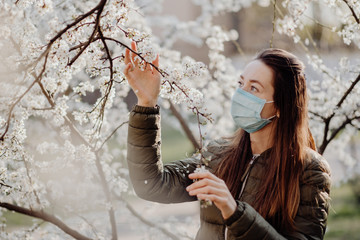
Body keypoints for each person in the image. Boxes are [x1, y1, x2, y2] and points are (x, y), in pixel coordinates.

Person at [124, 41, 331, 240]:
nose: (241, 94)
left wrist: (234, 212)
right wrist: (147, 103)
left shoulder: (309, 171)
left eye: (254, 89)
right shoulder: (219, 155)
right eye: (241, 83)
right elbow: (150, 184)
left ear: (280, 105)